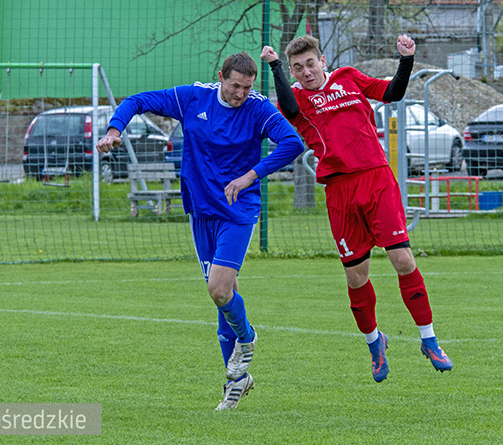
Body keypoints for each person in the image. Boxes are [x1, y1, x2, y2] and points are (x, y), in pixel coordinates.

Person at [96, 52, 304, 409]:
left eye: (247, 87)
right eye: (235, 86)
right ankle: (237, 380)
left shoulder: (257, 108)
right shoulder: (194, 97)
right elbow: (137, 100)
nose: (240, 94)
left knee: (218, 289)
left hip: (238, 209)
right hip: (201, 210)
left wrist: (251, 175)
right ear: (220, 76)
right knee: (223, 299)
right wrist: (115, 128)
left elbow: (292, 143)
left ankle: (247, 337)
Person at [260, 35, 452, 382]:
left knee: (403, 260)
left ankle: (429, 340)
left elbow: (392, 93)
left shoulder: (348, 77)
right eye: (297, 68)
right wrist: (275, 66)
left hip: (376, 179)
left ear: (323, 61)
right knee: (356, 275)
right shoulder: (296, 99)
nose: (306, 72)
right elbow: (288, 111)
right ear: (291, 72)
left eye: (310, 63)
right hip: (339, 190)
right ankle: (375, 344)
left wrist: (406, 60)